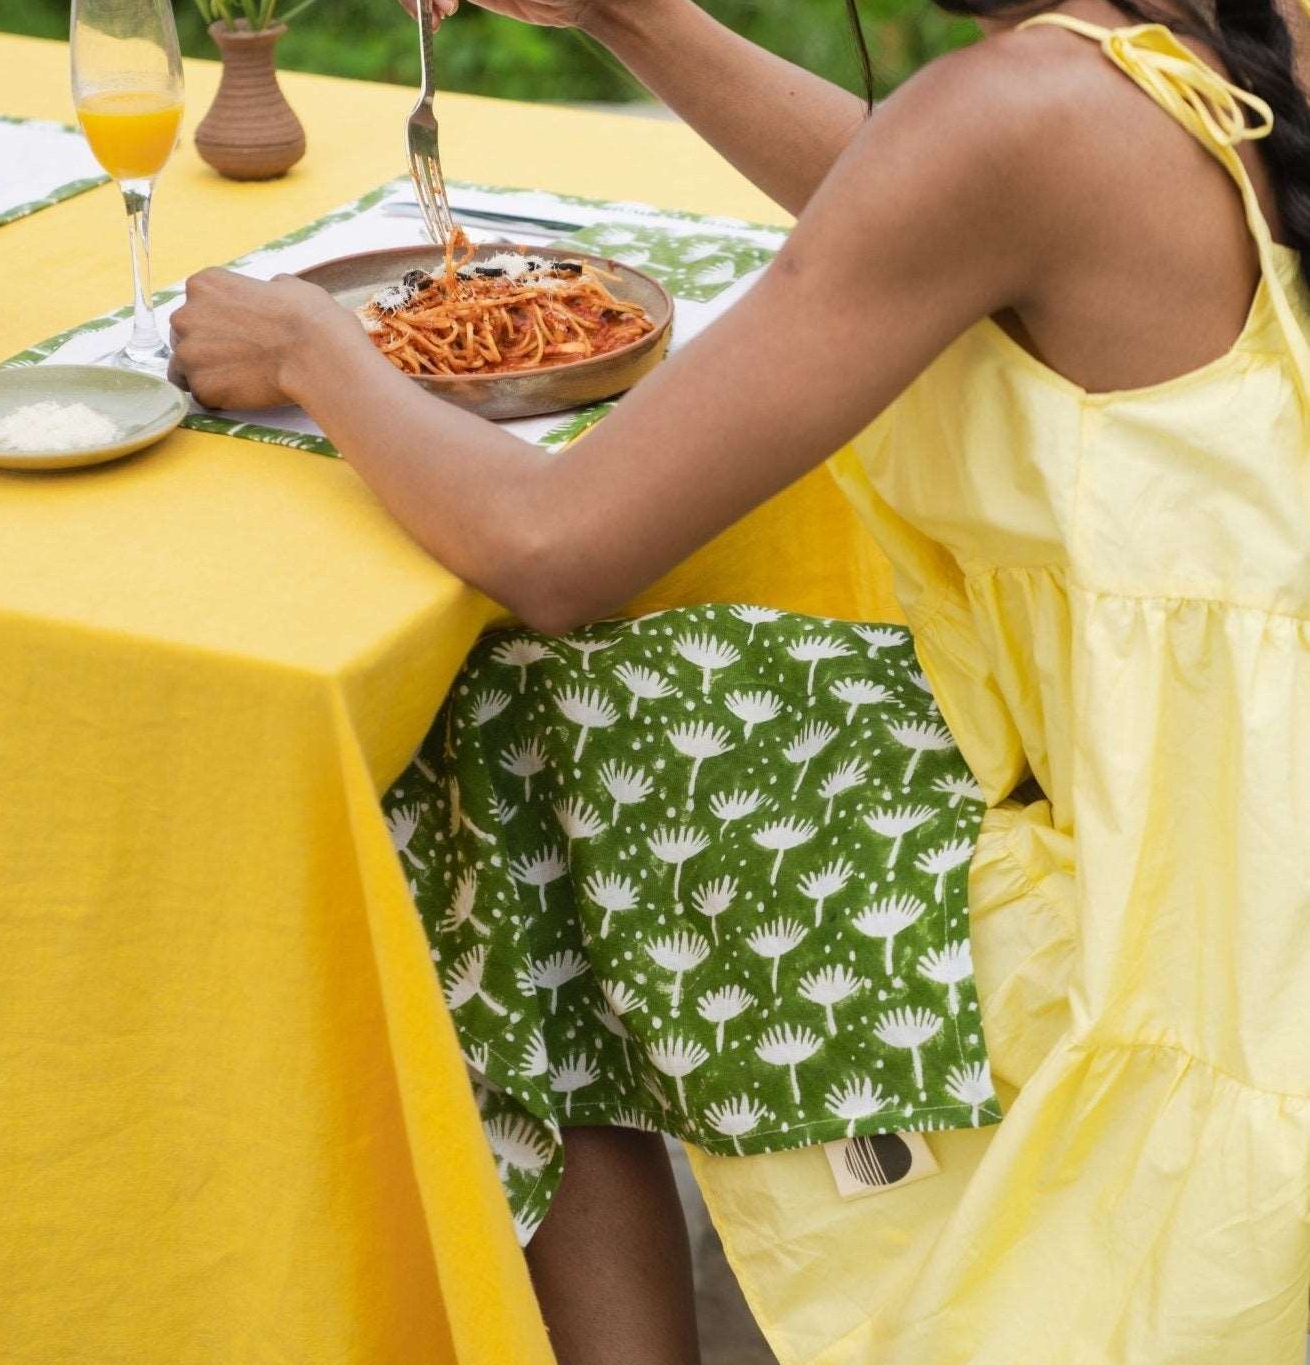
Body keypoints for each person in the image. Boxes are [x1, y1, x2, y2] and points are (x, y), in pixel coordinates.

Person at [168, 0, 1310, 1359]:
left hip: (1187, 926)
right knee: (567, 713)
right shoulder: (1222, 48)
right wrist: (632, 20)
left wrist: (313, 351)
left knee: (491, 736)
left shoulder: (1017, 116)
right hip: (1224, 796)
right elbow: (925, 194)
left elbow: (553, 548)